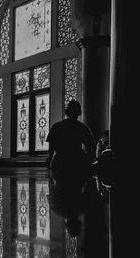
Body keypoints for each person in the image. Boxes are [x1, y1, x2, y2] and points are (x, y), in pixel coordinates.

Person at [46, 99, 96, 237]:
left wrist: (50, 161)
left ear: (67, 111)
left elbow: (51, 149)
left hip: (61, 162)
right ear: (78, 113)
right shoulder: (82, 127)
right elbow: (91, 146)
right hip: (77, 163)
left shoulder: (57, 127)